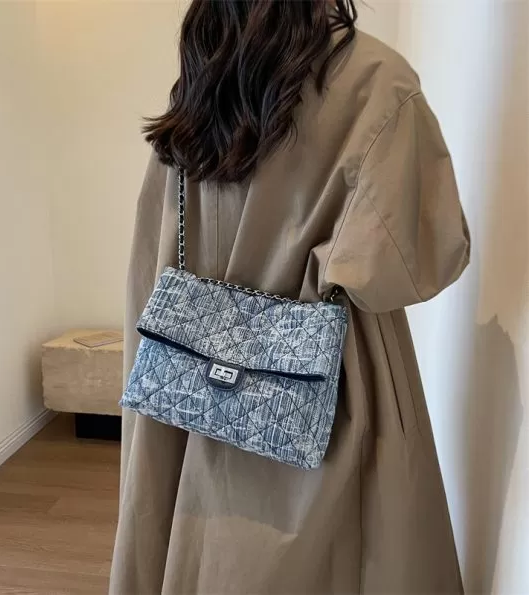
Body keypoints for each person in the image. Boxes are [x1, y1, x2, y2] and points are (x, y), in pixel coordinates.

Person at [110, 1, 470, 593]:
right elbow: (409, 266)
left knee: (187, 538)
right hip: (329, 382)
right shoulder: (378, 80)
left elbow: (156, 244)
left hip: (190, 375)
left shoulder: (204, 74)